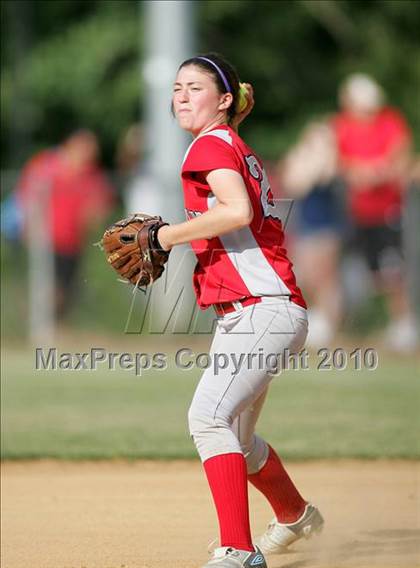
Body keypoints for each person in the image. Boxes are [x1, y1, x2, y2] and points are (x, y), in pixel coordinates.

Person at [155, 53, 324, 568]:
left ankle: (239, 552)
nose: (182, 96)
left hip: (261, 311)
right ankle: (295, 516)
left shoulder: (209, 144)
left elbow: (236, 211)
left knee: (208, 419)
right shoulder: (229, 142)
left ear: (224, 101)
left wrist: (166, 236)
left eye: (195, 88)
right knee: (240, 441)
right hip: (261, 311)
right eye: (177, 88)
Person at [333, 73, 417, 351]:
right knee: (373, 273)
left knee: (392, 270)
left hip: (387, 209)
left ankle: (404, 324)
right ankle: (372, 322)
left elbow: (400, 159)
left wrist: (375, 172)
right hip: (358, 212)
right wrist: (359, 171)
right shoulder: (343, 125)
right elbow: (340, 161)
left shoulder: (389, 122)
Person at [16, 129, 115, 319]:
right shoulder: (47, 166)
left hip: (72, 242)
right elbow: (27, 196)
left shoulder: (91, 174)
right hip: (45, 240)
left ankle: (50, 326)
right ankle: (35, 324)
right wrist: (28, 225)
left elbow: (101, 203)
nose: (90, 153)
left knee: (66, 291)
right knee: (47, 288)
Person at [279, 120, 344, 349]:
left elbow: (325, 175)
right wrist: (309, 160)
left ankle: (328, 324)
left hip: (327, 228)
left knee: (326, 278)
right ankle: (316, 318)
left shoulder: (332, 160)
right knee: (305, 276)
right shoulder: (300, 158)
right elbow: (296, 185)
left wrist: (321, 158)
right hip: (305, 226)